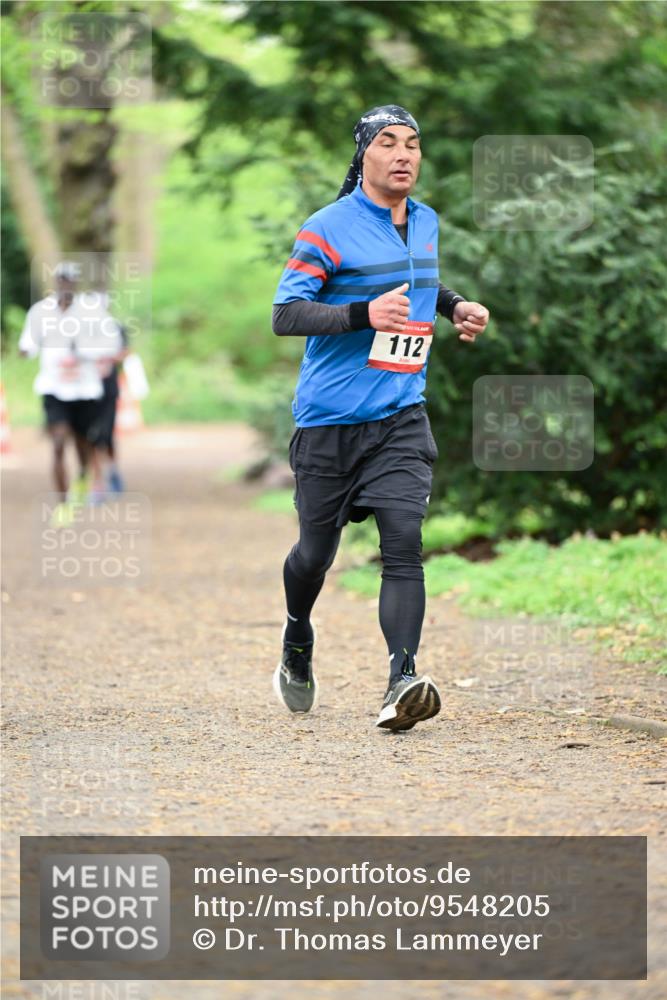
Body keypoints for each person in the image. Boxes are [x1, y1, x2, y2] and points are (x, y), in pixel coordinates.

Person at [271, 105, 490, 733]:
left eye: (413, 144)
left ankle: (402, 679)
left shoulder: (425, 223)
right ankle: (296, 633)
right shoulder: (327, 227)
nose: (403, 155)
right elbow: (287, 315)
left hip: (399, 415)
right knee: (315, 555)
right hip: (330, 421)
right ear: (363, 155)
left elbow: (418, 283)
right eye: (388, 143)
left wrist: (454, 307)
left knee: (403, 546)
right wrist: (362, 315)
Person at [18, 261, 123, 522]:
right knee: (57, 441)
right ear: (56, 281)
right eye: (61, 279)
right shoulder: (40, 312)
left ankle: (85, 475)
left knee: (83, 444)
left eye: (70, 280)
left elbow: (112, 345)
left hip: (85, 389)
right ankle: (63, 503)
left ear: (76, 283)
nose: (65, 284)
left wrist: (83, 354)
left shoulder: (93, 312)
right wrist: (26, 350)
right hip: (54, 387)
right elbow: (27, 345)